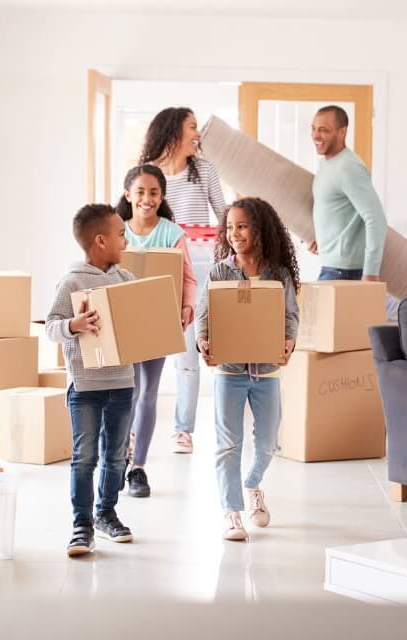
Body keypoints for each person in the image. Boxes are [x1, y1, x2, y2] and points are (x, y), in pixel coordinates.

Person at [195, 197, 300, 541]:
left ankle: (252, 484)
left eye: (241, 226)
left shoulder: (278, 274)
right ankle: (231, 512)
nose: (234, 234)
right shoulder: (219, 272)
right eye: (229, 227)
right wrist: (203, 342)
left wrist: (289, 342)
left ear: (259, 229)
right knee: (228, 444)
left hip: (267, 370)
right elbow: (204, 316)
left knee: (268, 443)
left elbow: (290, 317)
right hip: (229, 370)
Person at [46, 203, 136, 557]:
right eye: (120, 234)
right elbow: (52, 325)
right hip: (85, 388)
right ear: (101, 241)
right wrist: (74, 325)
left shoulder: (125, 280)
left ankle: (106, 513)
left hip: (123, 383)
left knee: (116, 457)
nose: (125, 239)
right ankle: (81, 524)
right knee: (85, 456)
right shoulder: (72, 281)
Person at [141, 107, 227, 454]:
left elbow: (224, 216)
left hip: (201, 265)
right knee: (145, 347)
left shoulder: (204, 170)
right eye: (192, 127)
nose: (198, 134)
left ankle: (183, 430)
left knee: (188, 350)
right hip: (160, 263)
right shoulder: (148, 175)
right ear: (174, 131)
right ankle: (135, 427)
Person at [116, 164, 197, 498]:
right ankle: (119, 458)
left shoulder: (171, 233)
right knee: (126, 393)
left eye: (154, 193)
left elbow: (188, 277)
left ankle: (138, 468)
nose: (147, 199)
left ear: (162, 197)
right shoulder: (117, 230)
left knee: (148, 391)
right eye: (140, 192)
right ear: (128, 195)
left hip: (159, 321)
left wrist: (186, 309)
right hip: (124, 321)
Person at [308, 105, 387, 284]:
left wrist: (371, 272)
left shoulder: (348, 167)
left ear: (342, 132)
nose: (315, 135)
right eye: (313, 128)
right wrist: (323, 239)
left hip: (345, 272)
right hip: (332, 267)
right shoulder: (326, 165)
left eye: (323, 130)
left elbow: (376, 218)